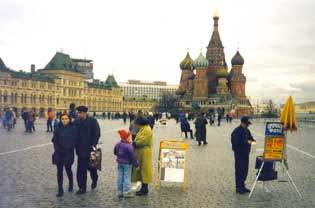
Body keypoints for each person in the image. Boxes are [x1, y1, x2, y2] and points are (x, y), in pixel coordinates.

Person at [74, 106, 101, 195]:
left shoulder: (92, 121)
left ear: (85, 113)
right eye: (78, 113)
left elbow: (97, 133)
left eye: (80, 113)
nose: (79, 114)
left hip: (90, 149)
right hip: (80, 150)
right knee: (81, 170)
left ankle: (94, 179)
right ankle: (82, 187)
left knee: (92, 168)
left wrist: (93, 144)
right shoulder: (76, 122)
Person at [52, 113, 78, 197]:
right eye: (62, 119)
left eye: (66, 119)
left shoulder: (73, 129)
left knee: (68, 169)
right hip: (59, 152)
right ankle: (60, 189)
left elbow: (75, 140)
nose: (64, 120)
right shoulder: (57, 128)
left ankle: (71, 183)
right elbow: (55, 140)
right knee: (59, 171)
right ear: (60, 120)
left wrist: (68, 147)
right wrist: (57, 149)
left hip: (68, 152)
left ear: (69, 119)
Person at [231, 116, 256, 194]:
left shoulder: (247, 130)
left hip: (246, 154)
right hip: (239, 154)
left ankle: (243, 185)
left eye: (248, 124)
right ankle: (238, 187)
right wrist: (246, 142)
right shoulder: (236, 131)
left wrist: (253, 141)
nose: (248, 125)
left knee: (245, 170)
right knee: (239, 170)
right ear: (242, 123)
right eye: (246, 124)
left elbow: (251, 138)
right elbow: (235, 143)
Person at [114, 129, 140, 198]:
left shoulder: (118, 144)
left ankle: (119, 192)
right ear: (127, 138)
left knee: (120, 176)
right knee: (127, 177)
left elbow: (115, 152)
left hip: (120, 163)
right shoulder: (129, 146)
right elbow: (133, 157)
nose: (130, 139)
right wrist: (136, 165)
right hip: (127, 164)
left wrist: (119, 156)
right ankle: (127, 192)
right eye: (129, 137)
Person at [131, 116, 153, 196]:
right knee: (142, 170)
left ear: (141, 123)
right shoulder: (143, 128)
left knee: (144, 170)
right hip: (141, 152)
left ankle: (145, 189)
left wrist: (134, 143)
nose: (137, 126)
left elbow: (143, 140)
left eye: (137, 124)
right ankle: (143, 188)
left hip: (144, 152)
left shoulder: (147, 129)